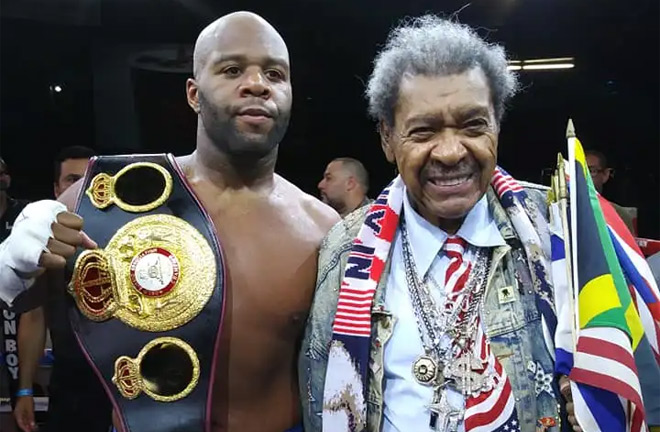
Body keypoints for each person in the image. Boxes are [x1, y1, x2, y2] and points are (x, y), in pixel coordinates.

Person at [2, 11, 338, 432]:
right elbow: (21, 301)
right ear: (194, 94)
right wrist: (11, 267)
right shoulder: (107, 199)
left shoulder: (323, 228)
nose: (257, 84)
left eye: (275, 73)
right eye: (232, 69)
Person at [299, 16, 574, 432]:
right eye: (423, 131)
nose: (449, 152)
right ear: (387, 139)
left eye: (473, 125)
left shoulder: (558, 227)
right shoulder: (344, 249)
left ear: (497, 124)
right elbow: (322, 396)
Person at [13, 146, 110, 432]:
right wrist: (25, 391)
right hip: (72, 384)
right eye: (72, 180)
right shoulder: (40, 243)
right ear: (57, 189)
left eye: (88, 180)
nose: (81, 187)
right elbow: (33, 318)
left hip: (126, 382)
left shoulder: (131, 235)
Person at [585, 149, 635, 233]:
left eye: (591, 171)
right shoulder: (561, 212)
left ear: (605, 175)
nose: (584, 177)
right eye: (579, 171)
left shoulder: (618, 215)